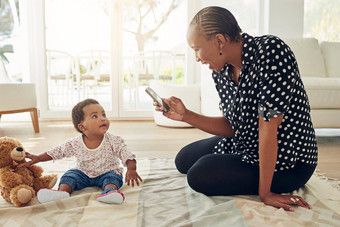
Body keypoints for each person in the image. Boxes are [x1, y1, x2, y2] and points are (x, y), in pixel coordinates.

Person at [155, 6, 317, 212]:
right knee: (183, 160)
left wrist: (265, 193)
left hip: (288, 161)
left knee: (199, 175)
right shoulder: (221, 71)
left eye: (196, 48)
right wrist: (186, 115)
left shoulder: (271, 52)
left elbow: (268, 129)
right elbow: (231, 127)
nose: (196, 57)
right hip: (246, 144)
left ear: (219, 41)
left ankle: (265, 179)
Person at [22, 98, 142, 204]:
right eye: (95, 116)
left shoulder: (114, 140)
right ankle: (61, 192)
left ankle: (110, 192)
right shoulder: (75, 143)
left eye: (104, 115)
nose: (102, 119)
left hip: (108, 171)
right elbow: (57, 151)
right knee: (69, 175)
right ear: (82, 127)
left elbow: (126, 153)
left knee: (113, 178)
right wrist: (38, 158)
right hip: (82, 173)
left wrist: (131, 169)